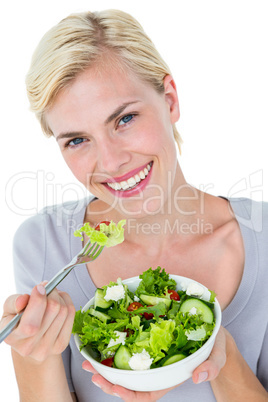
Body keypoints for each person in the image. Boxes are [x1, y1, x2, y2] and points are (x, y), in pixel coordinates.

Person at [1, 8, 267, 402]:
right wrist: (33, 353)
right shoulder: (44, 244)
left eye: (124, 119)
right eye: (77, 140)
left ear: (171, 100)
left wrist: (224, 363)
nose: (109, 163)